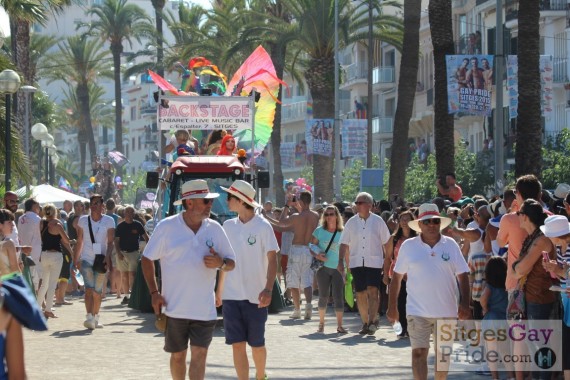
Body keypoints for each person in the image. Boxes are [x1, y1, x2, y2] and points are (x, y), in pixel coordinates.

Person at [141, 179, 236, 380]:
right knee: (178, 356)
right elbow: (147, 258)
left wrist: (220, 263)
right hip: (174, 308)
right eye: (206, 201)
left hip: (205, 309)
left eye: (210, 201)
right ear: (190, 202)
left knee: (200, 355)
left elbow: (231, 263)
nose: (210, 205)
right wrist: (154, 293)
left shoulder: (215, 228)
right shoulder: (167, 227)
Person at [387, 203, 470, 380]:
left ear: (440, 223)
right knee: (418, 353)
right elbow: (396, 278)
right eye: (427, 221)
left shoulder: (451, 245)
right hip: (417, 311)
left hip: (446, 311)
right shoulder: (408, 246)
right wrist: (392, 307)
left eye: (435, 221)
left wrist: (465, 303)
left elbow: (463, 276)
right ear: (420, 224)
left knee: (442, 357)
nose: (431, 225)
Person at [216, 180, 278, 380]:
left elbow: (273, 260)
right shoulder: (226, 226)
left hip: (256, 296)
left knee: (257, 345)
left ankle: (261, 375)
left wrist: (268, 289)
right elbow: (225, 262)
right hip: (231, 296)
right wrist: (219, 292)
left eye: (229, 197)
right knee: (237, 344)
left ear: (241, 201)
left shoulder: (263, 226)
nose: (226, 201)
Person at [339, 192, 391, 335]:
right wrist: (340, 261)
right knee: (360, 293)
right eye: (356, 203)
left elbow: (387, 242)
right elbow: (343, 243)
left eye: (359, 202)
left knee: (373, 290)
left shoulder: (378, 221)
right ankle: (365, 322)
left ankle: (373, 320)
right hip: (356, 261)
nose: (357, 205)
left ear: (369, 205)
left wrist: (388, 260)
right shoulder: (351, 222)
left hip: (373, 261)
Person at [263, 191, 320, 320]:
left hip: (296, 249)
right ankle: (309, 305)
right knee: (307, 281)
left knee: (293, 281)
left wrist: (287, 206)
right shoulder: (315, 215)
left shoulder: (295, 217)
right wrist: (298, 205)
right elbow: (304, 213)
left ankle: (297, 309)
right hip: (309, 249)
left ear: (300, 202)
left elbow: (281, 223)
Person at [73, 194, 115, 330]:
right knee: (88, 290)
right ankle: (89, 316)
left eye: (98, 203)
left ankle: (96, 317)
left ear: (103, 206)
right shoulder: (83, 220)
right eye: (93, 203)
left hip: (101, 260)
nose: (95, 206)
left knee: (97, 292)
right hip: (86, 259)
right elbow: (80, 241)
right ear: (90, 206)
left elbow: (110, 242)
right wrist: (75, 258)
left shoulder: (109, 221)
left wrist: (107, 258)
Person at [540, 215, 570, 379]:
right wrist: (553, 269)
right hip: (566, 299)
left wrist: (558, 270)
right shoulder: (559, 248)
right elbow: (563, 276)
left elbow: (566, 272)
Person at [310, 205, 346, 334]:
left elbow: (347, 250)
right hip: (323, 267)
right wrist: (317, 255)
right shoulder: (319, 231)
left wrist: (347, 269)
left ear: (337, 216)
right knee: (323, 296)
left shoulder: (343, 231)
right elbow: (311, 246)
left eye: (331, 214)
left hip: (338, 268)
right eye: (326, 214)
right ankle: (321, 324)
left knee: (338, 297)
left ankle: (340, 325)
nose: (329, 217)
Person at [382, 210, 417, 339]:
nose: (404, 222)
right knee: (400, 302)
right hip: (398, 275)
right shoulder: (394, 238)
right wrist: (385, 275)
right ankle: (401, 329)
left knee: (412, 302)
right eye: (402, 219)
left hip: (414, 275)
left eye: (407, 219)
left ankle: (411, 328)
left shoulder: (418, 238)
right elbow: (387, 258)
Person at [36, 204, 73, 319]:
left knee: (44, 284)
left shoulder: (41, 224)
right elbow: (66, 240)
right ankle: (48, 310)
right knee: (52, 284)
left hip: (44, 254)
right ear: (54, 212)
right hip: (56, 255)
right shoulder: (57, 225)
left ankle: (37, 309)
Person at [479, 257, 513, 380]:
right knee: (505, 351)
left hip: (491, 320)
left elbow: (483, 298)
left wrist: (485, 308)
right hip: (504, 320)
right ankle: (511, 376)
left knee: (492, 351)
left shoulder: (490, 286)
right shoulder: (506, 285)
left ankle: (495, 377)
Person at [115, 205, 149, 305]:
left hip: (134, 253)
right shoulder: (120, 226)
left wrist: (148, 251)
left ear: (134, 214)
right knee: (124, 275)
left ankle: (134, 296)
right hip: (122, 253)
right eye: (127, 212)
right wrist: (118, 253)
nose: (129, 214)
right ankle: (126, 296)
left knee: (132, 274)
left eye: (131, 212)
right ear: (124, 214)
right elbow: (116, 241)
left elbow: (146, 237)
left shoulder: (138, 225)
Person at [17, 198, 42, 290]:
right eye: (38, 206)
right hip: (35, 251)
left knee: (27, 276)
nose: (39, 208)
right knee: (37, 277)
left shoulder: (20, 218)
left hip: (22, 250)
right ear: (34, 207)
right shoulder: (37, 219)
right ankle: (39, 301)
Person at [0, 210, 20, 275]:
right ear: (0, 225)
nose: (13, 225)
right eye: (9, 222)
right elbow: (14, 268)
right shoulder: (8, 243)